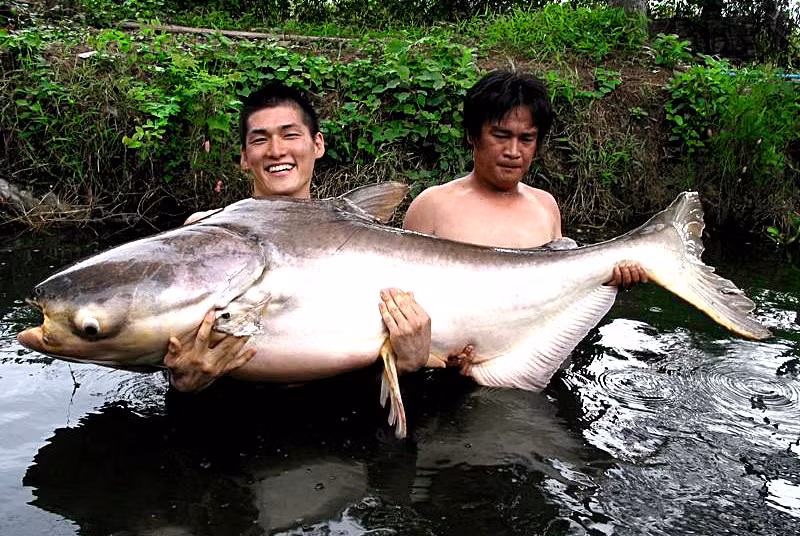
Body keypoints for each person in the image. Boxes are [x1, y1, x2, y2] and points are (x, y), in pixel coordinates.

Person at [165, 83, 431, 391]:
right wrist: (184, 381)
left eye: (290, 135)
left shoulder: (367, 237)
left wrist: (410, 364)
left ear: (318, 144)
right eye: (260, 139)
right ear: (244, 157)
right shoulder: (204, 231)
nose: (276, 150)